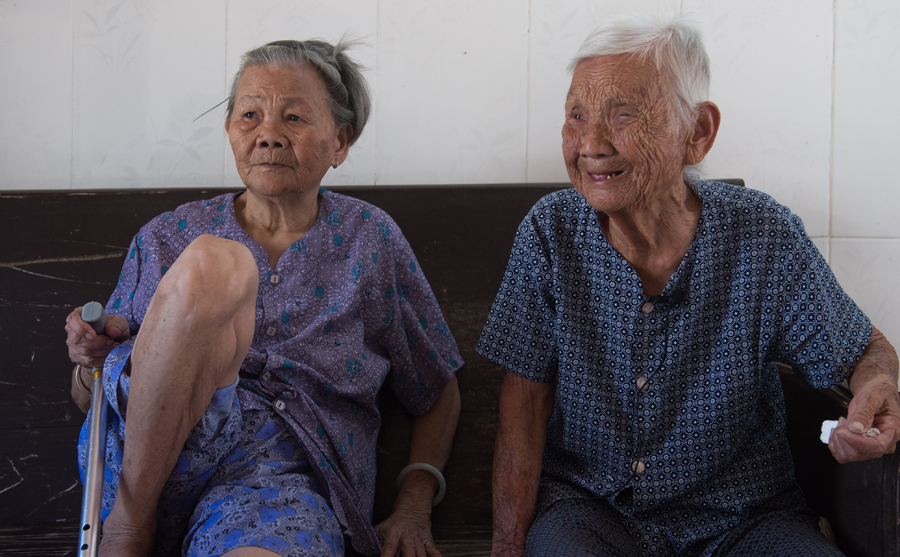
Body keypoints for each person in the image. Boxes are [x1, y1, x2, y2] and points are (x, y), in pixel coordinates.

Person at [477, 15, 900, 557]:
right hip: (590, 512)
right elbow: (524, 404)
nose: (591, 143)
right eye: (575, 116)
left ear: (697, 132)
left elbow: (865, 349)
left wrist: (876, 391)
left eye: (623, 114)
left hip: (745, 518)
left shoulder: (761, 235)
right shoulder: (550, 232)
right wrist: (507, 548)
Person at [65, 39, 463, 557]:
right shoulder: (169, 237)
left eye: (294, 118)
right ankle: (129, 528)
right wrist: (87, 363)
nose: (268, 135)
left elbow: (437, 387)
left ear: (340, 142)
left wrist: (414, 504)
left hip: (279, 484)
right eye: (249, 114)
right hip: (149, 472)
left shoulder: (370, 240)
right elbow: (91, 394)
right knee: (216, 263)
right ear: (230, 130)